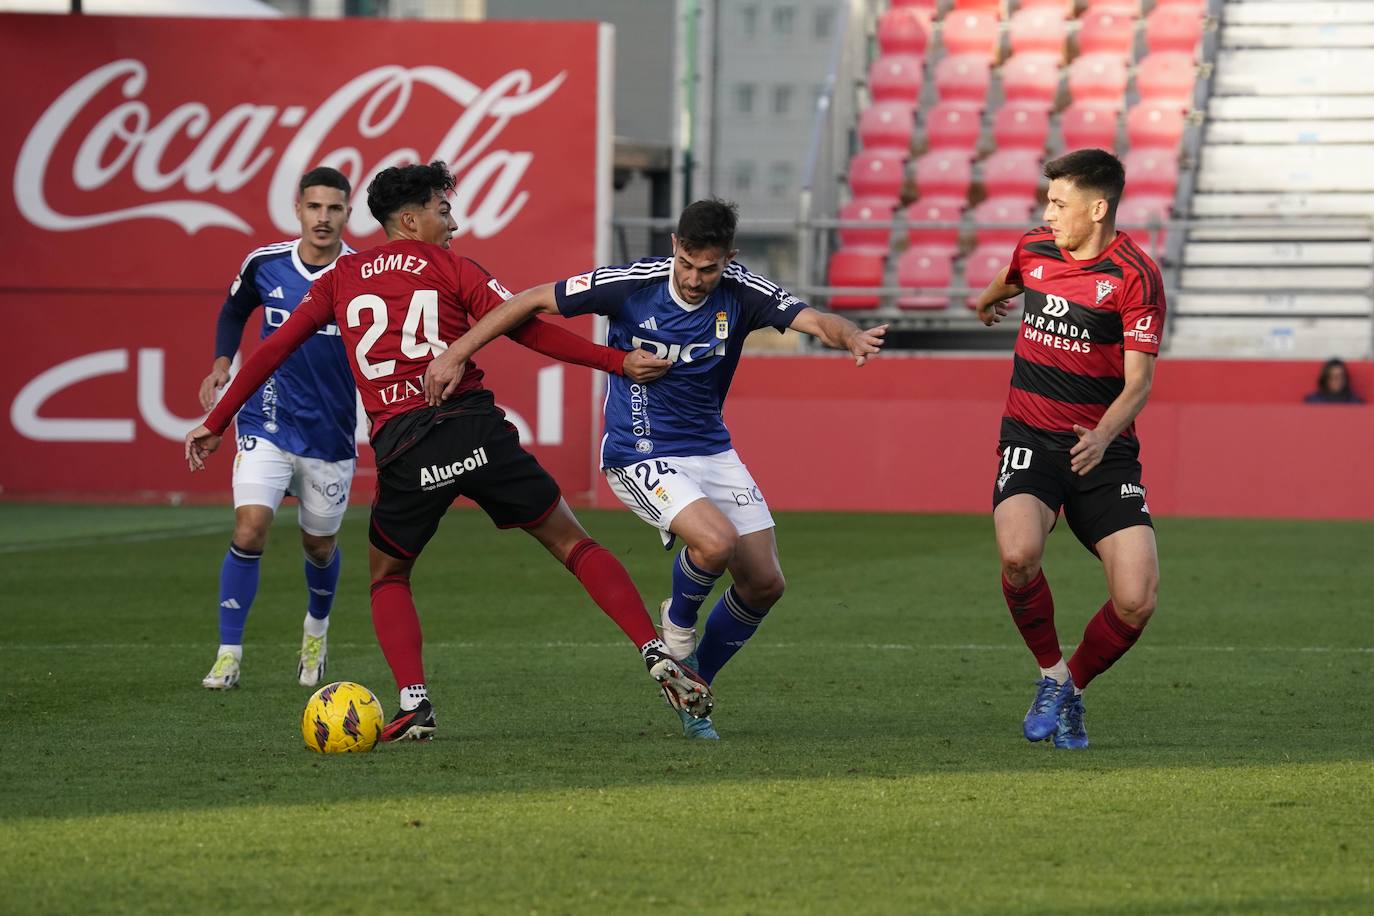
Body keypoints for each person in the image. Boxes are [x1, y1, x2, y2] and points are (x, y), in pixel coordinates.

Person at [185, 161, 712, 741]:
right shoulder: (454, 268)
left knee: (388, 576)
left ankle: (415, 703)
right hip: (475, 431)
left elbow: (271, 348)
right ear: (409, 219)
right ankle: (653, 648)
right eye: (444, 210)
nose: (453, 223)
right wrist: (617, 362)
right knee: (572, 542)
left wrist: (215, 421)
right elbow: (529, 330)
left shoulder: (338, 278)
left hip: (406, 448)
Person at [423, 198, 886, 740]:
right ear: (674, 247)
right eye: (686, 264)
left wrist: (850, 335)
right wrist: (455, 353)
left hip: (711, 450)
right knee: (715, 546)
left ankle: (693, 690)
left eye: (707, 269)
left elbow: (815, 320)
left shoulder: (743, 291)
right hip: (639, 450)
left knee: (764, 583)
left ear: (727, 259)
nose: (693, 279)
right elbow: (526, 302)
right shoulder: (630, 283)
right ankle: (679, 623)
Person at [974, 148, 1166, 750]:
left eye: (1060, 203)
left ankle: (1071, 689)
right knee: (1018, 554)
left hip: (1103, 451)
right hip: (1030, 437)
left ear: (1099, 207)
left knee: (1136, 599)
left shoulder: (1136, 275)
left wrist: (1105, 435)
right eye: (1047, 201)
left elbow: (1138, 383)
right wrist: (985, 305)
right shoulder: (1034, 249)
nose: (1048, 213)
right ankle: (1049, 674)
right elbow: (1004, 283)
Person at [197, 166, 358, 691]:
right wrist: (223, 361)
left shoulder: (362, 272)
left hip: (331, 433)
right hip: (267, 418)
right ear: (298, 209)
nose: (323, 218)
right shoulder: (265, 263)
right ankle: (228, 654)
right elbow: (233, 308)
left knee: (319, 547)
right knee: (250, 528)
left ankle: (316, 629)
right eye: (314, 207)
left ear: (347, 214)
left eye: (334, 209)